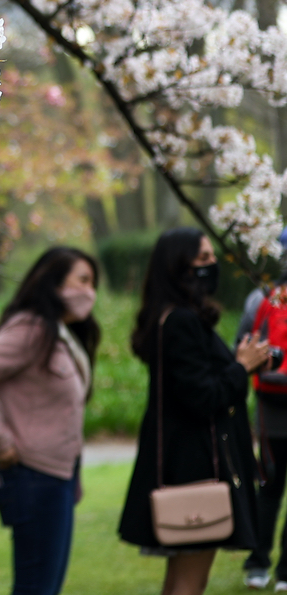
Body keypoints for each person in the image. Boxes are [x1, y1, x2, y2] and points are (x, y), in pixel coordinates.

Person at [118, 227, 271, 595]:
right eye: (202, 259)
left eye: (212, 257)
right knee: (189, 579)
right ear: (177, 265)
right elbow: (201, 397)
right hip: (195, 466)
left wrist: (236, 366)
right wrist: (241, 368)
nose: (212, 265)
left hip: (185, 460)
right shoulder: (181, 322)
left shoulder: (171, 317)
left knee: (181, 576)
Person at [0, 247, 101, 595]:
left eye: (93, 284)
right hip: (35, 476)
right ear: (53, 283)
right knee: (36, 588)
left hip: (57, 478)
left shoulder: (60, 333)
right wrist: (0, 442)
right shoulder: (33, 329)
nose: (90, 292)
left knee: (46, 586)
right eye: (82, 280)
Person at [238, 231, 287, 590]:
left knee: (268, 485)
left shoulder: (262, 298)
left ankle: (258, 563)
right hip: (274, 405)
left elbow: (242, 348)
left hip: (270, 407)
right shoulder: (265, 299)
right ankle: (285, 571)